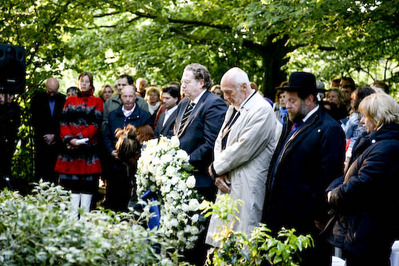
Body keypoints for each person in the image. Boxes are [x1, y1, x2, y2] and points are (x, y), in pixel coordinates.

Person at [262, 72, 346, 266]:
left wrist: (318, 214)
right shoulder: (291, 123)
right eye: (286, 100)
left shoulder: (329, 128)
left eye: (292, 101)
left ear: (309, 99)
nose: (287, 105)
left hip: (305, 224)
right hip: (279, 218)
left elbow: (329, 176)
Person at [205, 67, 280, 247]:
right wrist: (218, 171)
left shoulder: (262, 110)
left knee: (243, 243)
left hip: (247, 185)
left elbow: (243, 148)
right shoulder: (234, 107)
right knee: (223, 241)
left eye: (228, 92)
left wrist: (215, 168)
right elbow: (220, 141)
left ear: (244, 87)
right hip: (228, 180)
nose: (225, 98)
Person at [326, 93, 399, 266]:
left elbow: (361, 185)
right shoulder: (376, 143)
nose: (361, 121)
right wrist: (332, 188)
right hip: (360, 230)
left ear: (378, 117)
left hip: (369, 233)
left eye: (365, 116)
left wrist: (333, 195)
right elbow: (348, 176)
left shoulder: (387, 148)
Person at [174, 63, 228, 265]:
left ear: (201, 82)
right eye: (182, 82)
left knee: (198, 236)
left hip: (201, 180)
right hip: (181, 180)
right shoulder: (183, 104)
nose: (183, 86)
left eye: (186, 82)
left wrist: (185, 161)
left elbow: (211, 143)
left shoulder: (214, 104)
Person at [54, 72, 103, 219]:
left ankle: (84, 221)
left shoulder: (97, 101)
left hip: (88, 149)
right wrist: (70, 139)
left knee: (87, 186)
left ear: (91, 83)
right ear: (79, 82)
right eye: (82, 81)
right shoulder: (70, 100)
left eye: (87, 82)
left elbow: (96, 123)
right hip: (70, 149)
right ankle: (73, 220)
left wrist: (80, 138)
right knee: (72, 185)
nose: (84, 84)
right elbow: (63, 122)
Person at [102, 85, 151, 212]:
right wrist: (112, 151)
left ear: (135, 97)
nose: (128, 99)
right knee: (113, 197)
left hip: (134, 165)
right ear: (120, 98)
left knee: (132, 200)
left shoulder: (144, 116)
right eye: (125, 96)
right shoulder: (113, 115)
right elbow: (106, 136)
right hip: (115, 163)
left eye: (130, 96)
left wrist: (132, 154)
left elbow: (147, 138)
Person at [31, 78, 66, 184]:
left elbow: (64, 121)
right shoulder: (37, 99)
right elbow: (35, 120)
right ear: (46, 88)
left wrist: (55, 136)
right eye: (49, 91)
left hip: (57, 142)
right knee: (40, 174)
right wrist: (45, 135)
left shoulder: (63, 99)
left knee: (54, 175)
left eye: (54, 92)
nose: (51, 94)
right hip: (42, 141)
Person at [0, 93, 21, 182]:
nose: (0, 97)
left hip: (8, 140)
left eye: (2, 95)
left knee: (6, 165)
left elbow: (16, 124)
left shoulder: (15, 108)